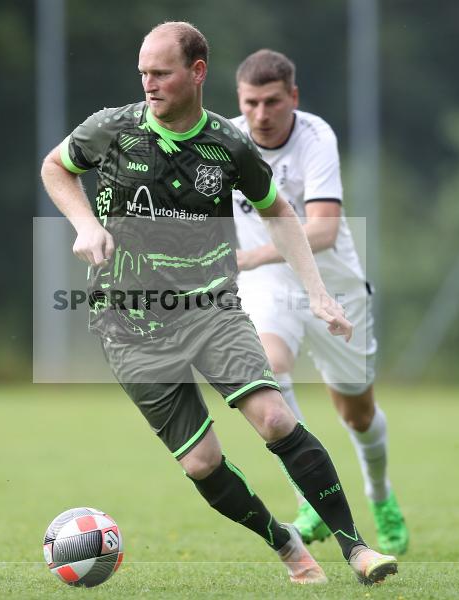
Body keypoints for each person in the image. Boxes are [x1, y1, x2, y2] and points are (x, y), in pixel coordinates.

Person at [41, 22, 397, 585]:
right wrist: (85, 224)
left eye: (161, 73)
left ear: (197, 72)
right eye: (143, 73)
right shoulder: (112, 127)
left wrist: (318, 294)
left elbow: (279, 212)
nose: (149, 84)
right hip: (128, 324)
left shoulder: (229, 145)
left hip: (210, 309)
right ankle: (283, 541)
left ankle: (356, 549)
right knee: (201, 461)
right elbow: (56, 166)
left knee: (275, 417)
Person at [231, 49, 409, 554]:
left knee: (357, 412)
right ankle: (310, 494)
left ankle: (380, 494)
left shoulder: (315, 137)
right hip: (269, 286)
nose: (260, 115)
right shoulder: (225, 139)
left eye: (271, 102)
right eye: (250, 103)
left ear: (293, 96)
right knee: (268, 369)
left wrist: (249, 255)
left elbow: (324, 230)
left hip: (334, 286)